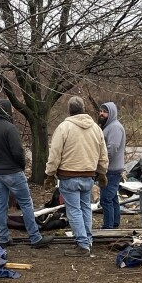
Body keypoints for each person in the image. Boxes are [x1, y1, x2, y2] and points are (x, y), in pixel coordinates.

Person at [0, 99, 53, 249]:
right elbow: (18, 152)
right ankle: (35, 237)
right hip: (13, 172)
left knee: (1, 205)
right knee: (26, 204)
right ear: (6, 111)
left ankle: (3, 238)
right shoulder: (10, 128)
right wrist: (21, 166)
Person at [46, 96, 109, 257]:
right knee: (85, 208)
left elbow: (55, 154)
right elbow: (103, 154)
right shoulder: (96, 128)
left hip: (68, 176)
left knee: (73, 210)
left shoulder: (64, 128)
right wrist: (102, 172)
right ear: (83, 108)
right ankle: (87, 240)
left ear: (70, 110)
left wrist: (50, 173)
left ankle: (82, 244)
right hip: (88, 176)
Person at [98, 102, 126, 230]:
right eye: (101, 111)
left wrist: (102, 164)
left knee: (106, 199)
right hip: (111, 169)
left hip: (112, 170)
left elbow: (112, 148)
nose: (101, 113)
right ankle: (114, 223)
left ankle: (108, 227)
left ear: (112, 113)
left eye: (105, 111)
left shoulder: (114, 127)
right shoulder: (109, 126)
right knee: (113, 197)